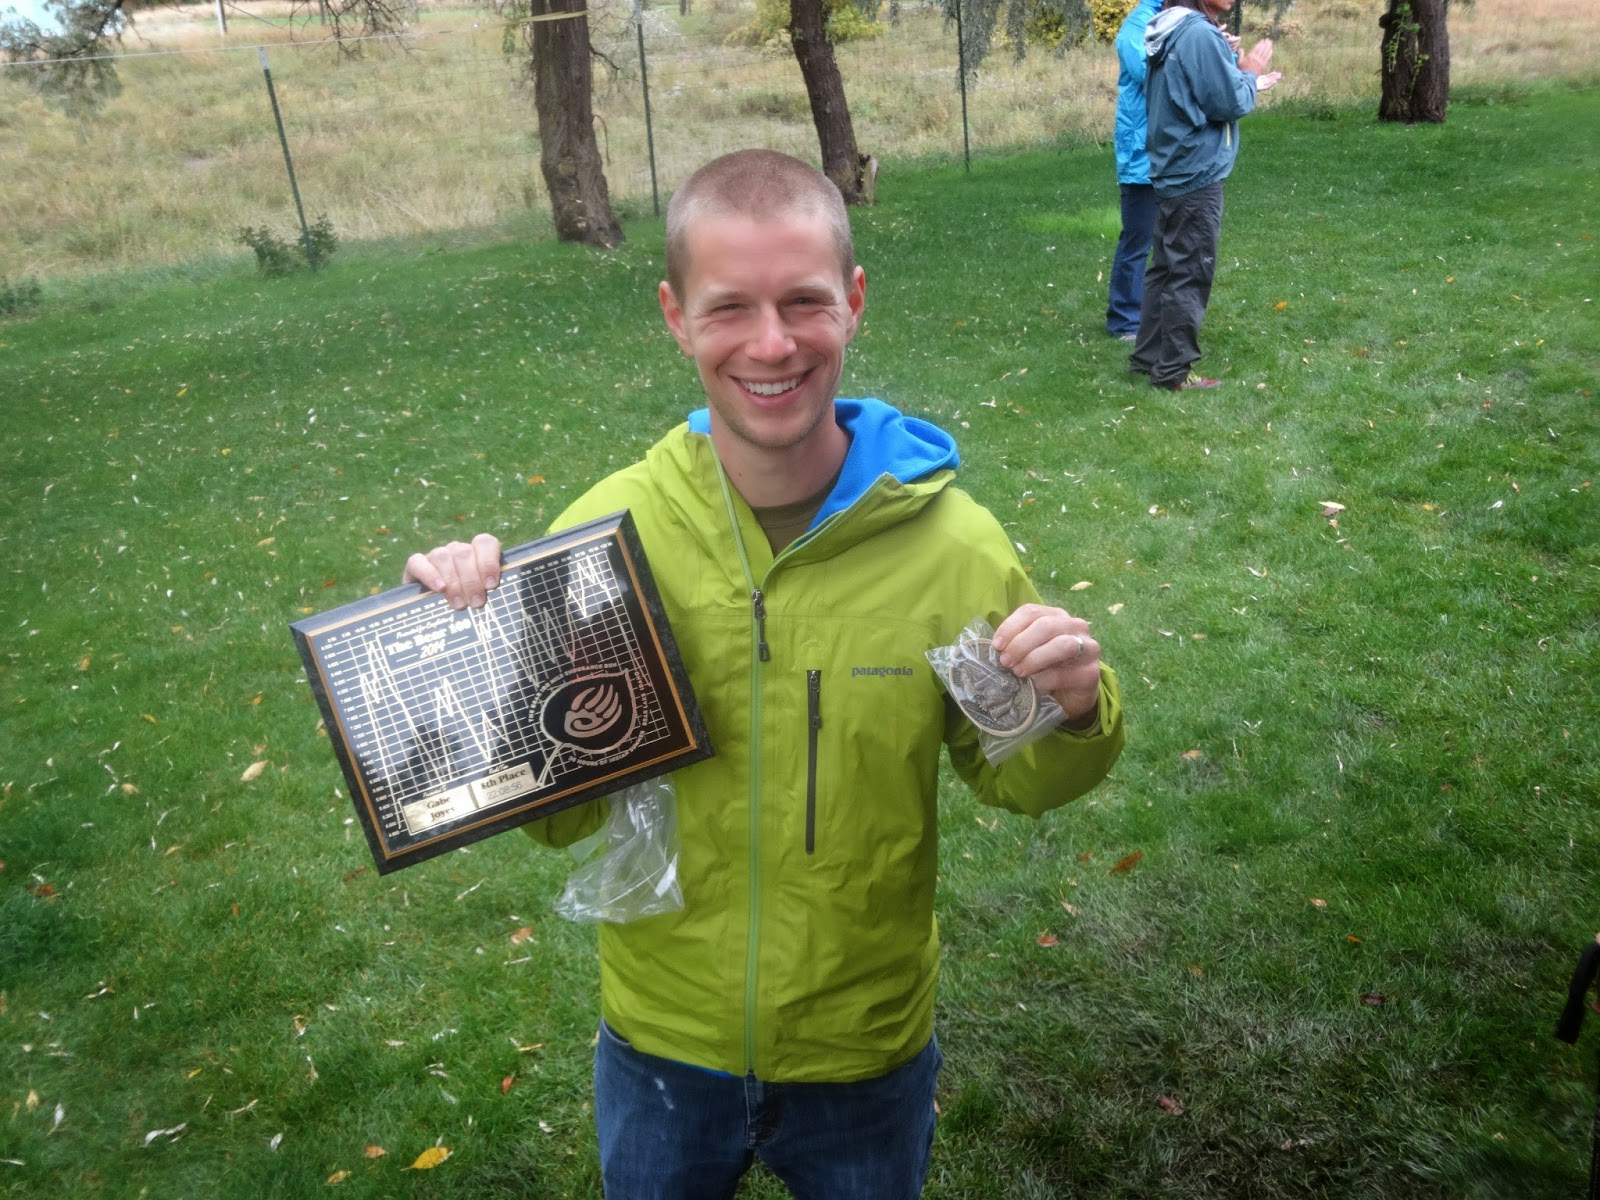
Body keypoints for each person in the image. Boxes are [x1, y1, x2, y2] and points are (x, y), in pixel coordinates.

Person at [403, 149, 1126, 1200]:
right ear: (675, 316)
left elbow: (1015, 774)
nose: (772, 343)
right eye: (730, 307)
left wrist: (1072, 712)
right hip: (662, 1040)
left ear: (855, 301)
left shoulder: (952, 548)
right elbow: (559, 819)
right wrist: (470, 653)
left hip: (864, 1045)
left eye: (804, 302)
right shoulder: (605, 539)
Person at [1127, 0, 1281, 391]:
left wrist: (1224, 59)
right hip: (1195, 171)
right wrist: (1249, 71)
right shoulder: (1196, 33)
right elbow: (1229, 103)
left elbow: (1192, 90)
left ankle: (1147, 359)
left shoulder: (1173, 28)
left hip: (1172, 166)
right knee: (1190, 273)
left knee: (1166, 269)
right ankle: (1172, 374)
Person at [1106, 0, 1164, 342]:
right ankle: (1124, 319)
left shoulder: (1169, 17)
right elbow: (1149, 75)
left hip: (1166, 151)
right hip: (1141, 155)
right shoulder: (1137, 25)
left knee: (1165, 239)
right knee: (1138, 239)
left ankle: (1152, 311)